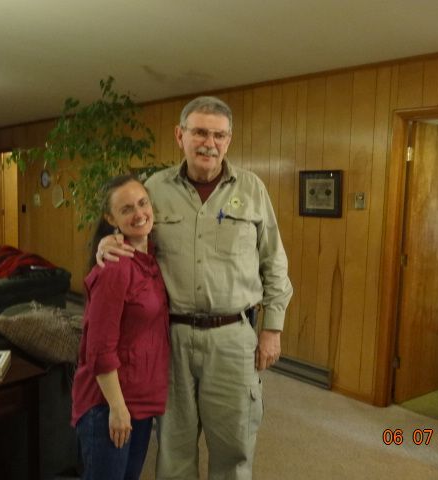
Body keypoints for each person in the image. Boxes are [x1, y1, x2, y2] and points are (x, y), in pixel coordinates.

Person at [97, 96, 293, 480]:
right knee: (173, 448)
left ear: (229, 140)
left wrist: (273, 328)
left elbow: (275, 262)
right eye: (200, 132)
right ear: (180, 135)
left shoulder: (252, 189)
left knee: (234, 450)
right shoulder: (155, 188)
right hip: (170, 338)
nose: (209, 143)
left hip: (233, 338)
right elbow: (134, 236)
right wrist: (109, 240)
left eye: (219, 135)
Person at [71, 175, 170, 480]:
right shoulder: (115, 266)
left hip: (138, 401)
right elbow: (99, 348)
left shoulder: (150, 259)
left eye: (142, 203)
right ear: (110, 219)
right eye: (126, 209)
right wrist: (117, 407)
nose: (139, 213)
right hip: (108, 404)